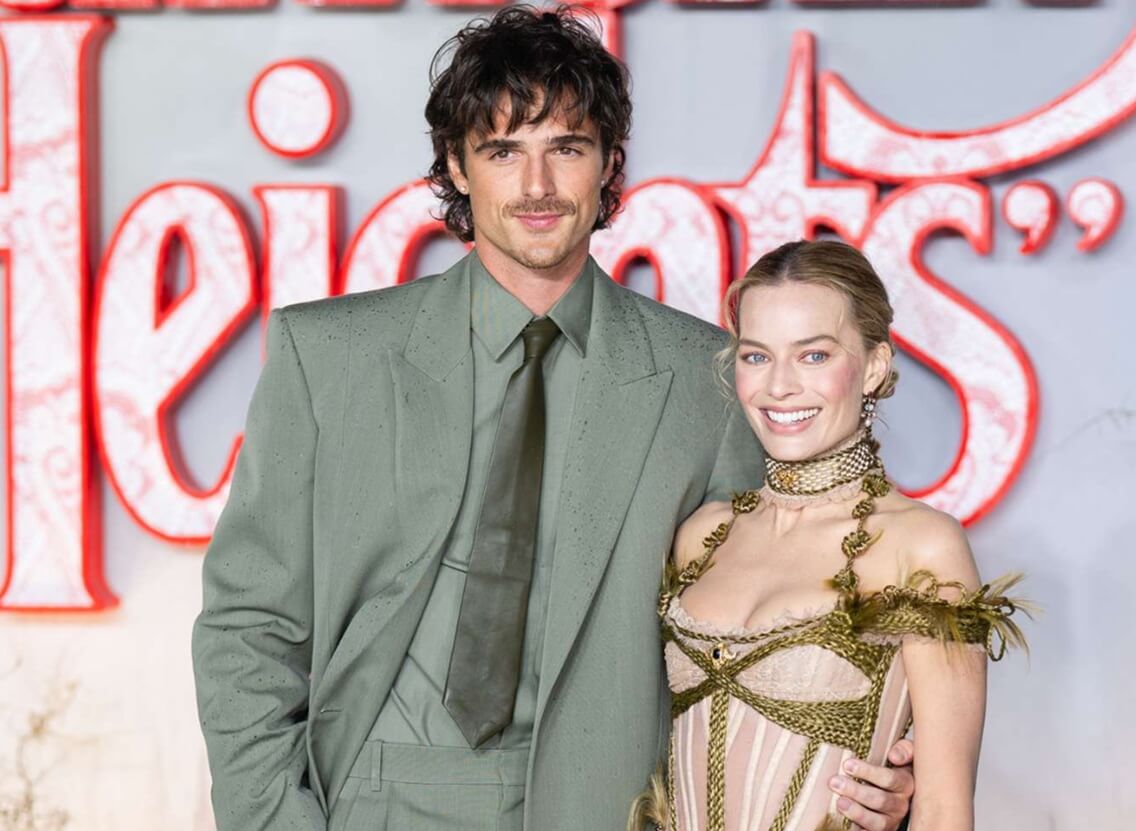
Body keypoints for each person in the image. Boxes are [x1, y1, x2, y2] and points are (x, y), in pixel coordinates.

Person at [192, 8, 915, 830]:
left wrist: (878, 761)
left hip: (616, 807)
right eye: (503, 150)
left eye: (566, 148)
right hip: (373, 795)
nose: (536, 187)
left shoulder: (707, 376)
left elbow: (783, 616)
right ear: (458, 169)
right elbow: (250, 624)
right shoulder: (327, 358)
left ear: (609, 163)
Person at [632, 240, 1027, 831]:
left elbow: (945, 811)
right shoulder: (702, 535)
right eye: (756, 356)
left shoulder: (921, 546)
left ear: (873, 366)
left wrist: (902, 804)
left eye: (813, 356)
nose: (779, 387)